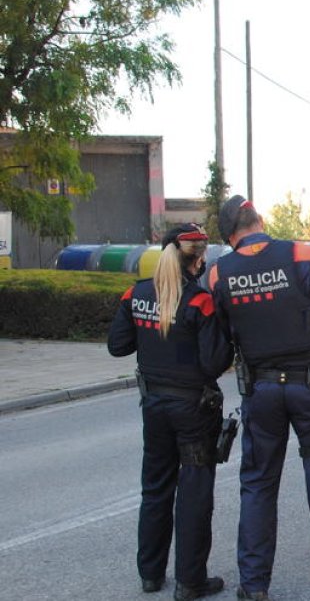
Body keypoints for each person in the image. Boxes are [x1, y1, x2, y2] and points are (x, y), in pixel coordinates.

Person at [207, 196, 310, 601]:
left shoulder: (219, 272)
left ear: (230, 236)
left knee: (258, 484)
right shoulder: (303, 253)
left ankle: (253, 587)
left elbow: (221, 330)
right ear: (259, 220)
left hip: (261, 390)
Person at [107, 223, 231, 601]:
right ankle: (190, 581)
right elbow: (213, 364)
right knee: (193, 493)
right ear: (198, 259)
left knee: (156, 487)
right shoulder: (199, 301)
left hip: (154, 407)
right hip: (193, 409)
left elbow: (118, 346)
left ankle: (150, 574)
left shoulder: (136, 293)